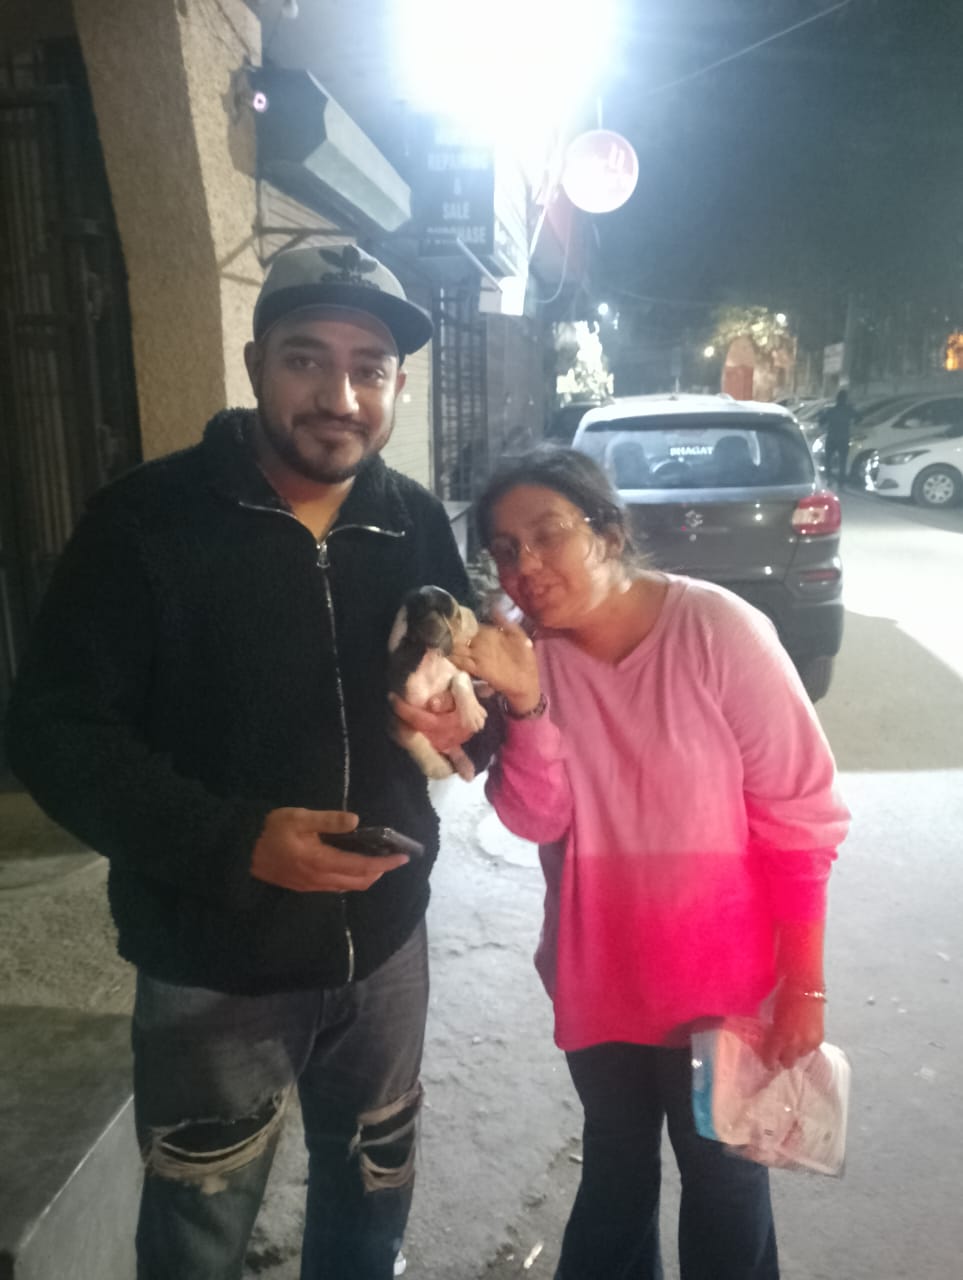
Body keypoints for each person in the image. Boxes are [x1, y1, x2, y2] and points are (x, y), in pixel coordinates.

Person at [5, 244, 479, 1280]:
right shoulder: (146, 521)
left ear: (398, 383)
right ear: (257, 360)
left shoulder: (409, 518)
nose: (339, 397)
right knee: (198, 1235)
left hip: (386, 946)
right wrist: (236, 843)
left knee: (370, 1206)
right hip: (216, 961)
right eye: (307, 359)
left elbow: (458, 661)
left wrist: (469, 717)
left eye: (368, 368)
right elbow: (53, 731)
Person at [450, 447, 850, 1280]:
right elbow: (535, 817)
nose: (526, 566)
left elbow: (799, 816)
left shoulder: (717, 631)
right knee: (615, 1171)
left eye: (547, 535)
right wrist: (524, 702)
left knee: (723, 1180)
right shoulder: (525, 658)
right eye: (505, 549)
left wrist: (804, 983)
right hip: (599, 972)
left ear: (606, 531)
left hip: (724, 986)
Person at [820, 388, 859, 489]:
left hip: (831, 437)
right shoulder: (849, 410)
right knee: (842, 461)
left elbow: (821, 421)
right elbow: (859, 417)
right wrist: (854, 423)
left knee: (828, 459)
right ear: (845, 399)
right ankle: (841, 482)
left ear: (837, 399)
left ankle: (829, 478)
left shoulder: (831, 411)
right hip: (843, 438)